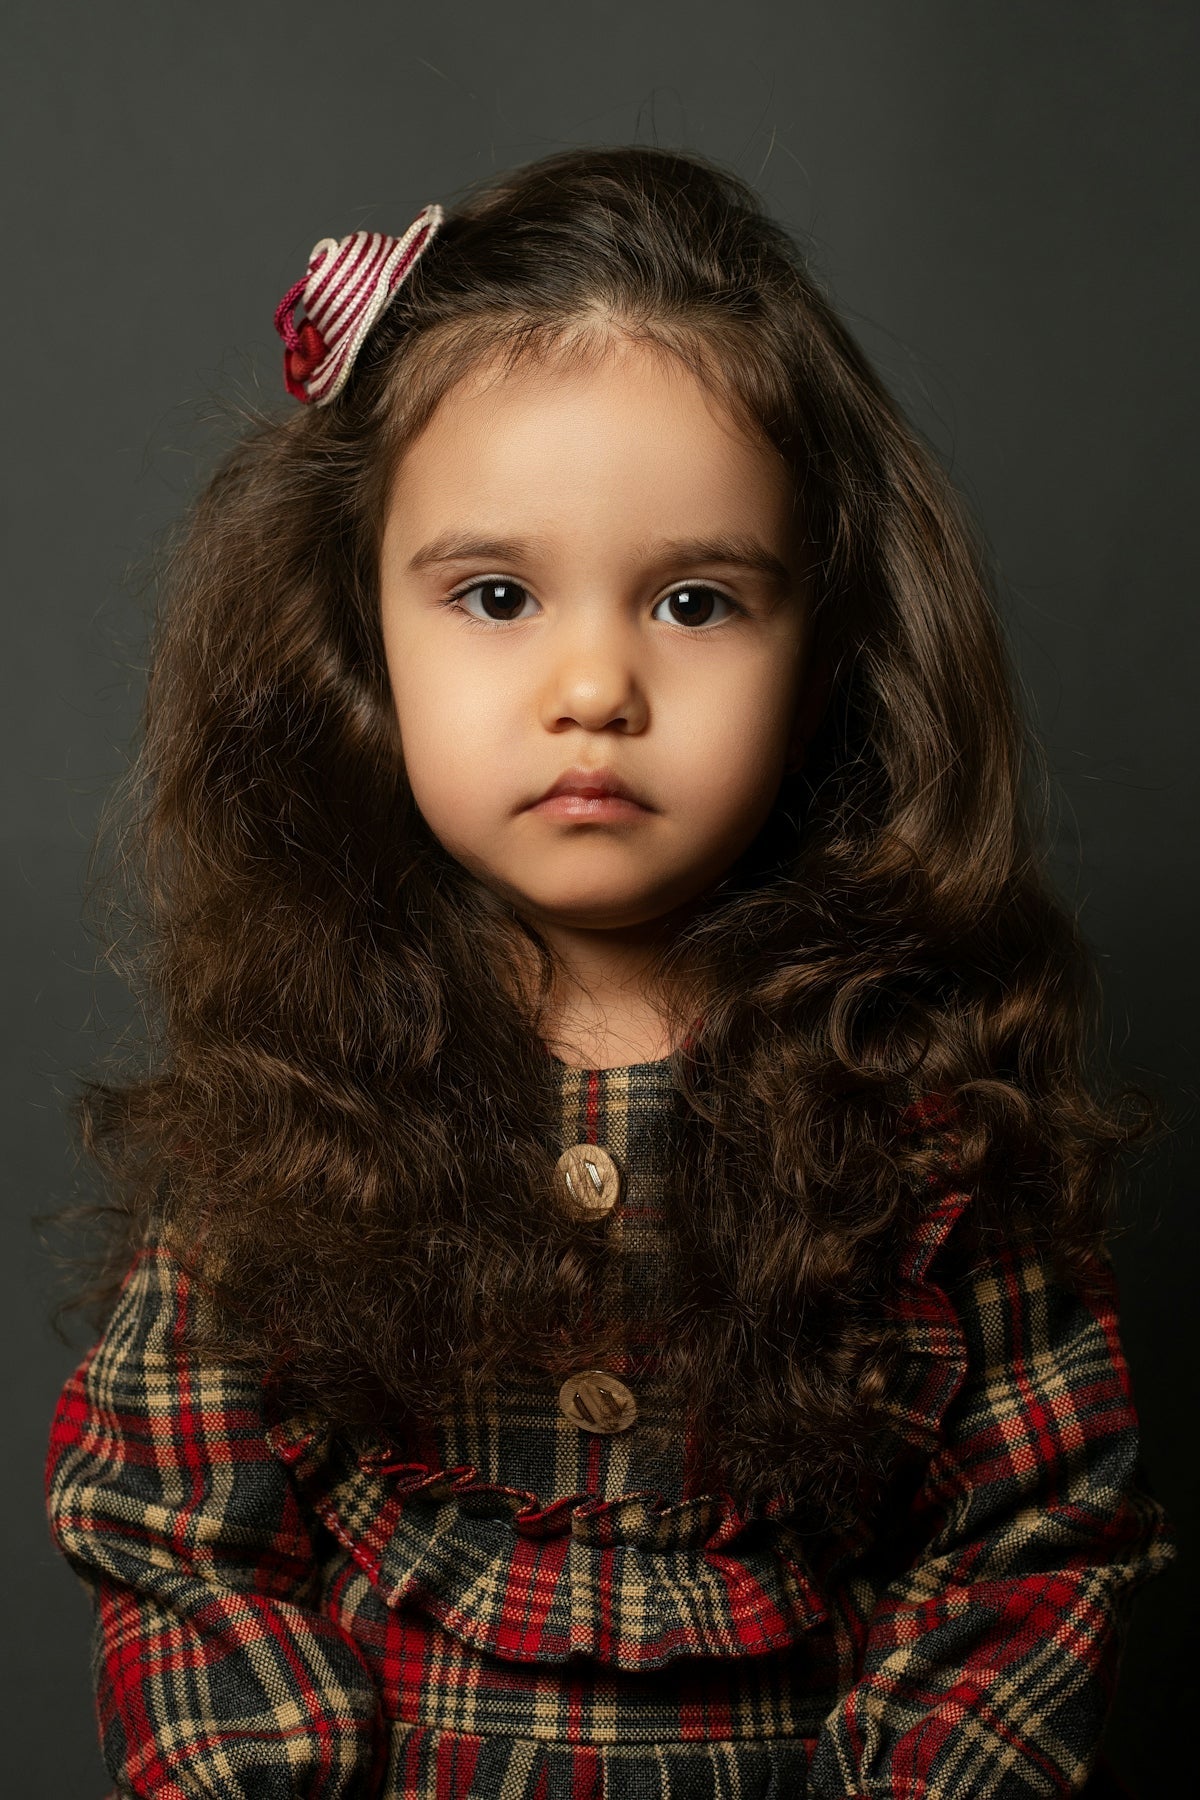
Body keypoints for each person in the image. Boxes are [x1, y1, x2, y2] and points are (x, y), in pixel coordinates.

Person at [45, 145, 1174, 1799]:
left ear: (828, 657)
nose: (595, 686)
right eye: (497, 595)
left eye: (696, 602)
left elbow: (1034, 1536)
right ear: (359, 642)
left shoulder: (920, 1107)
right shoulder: (299, 1091)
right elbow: (174, 1518)